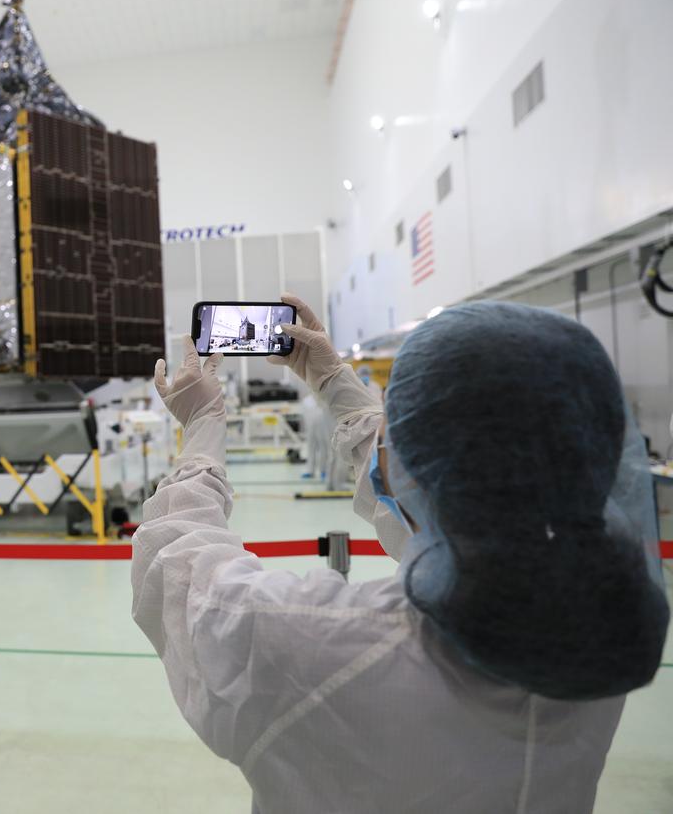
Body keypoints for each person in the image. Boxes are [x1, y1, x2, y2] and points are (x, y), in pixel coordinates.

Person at [134, 293, 667, 813]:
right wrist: (334, 383)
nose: (385, 434)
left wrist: (202, 429)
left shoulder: (307, 647)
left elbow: (177, 561)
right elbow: (456, 497)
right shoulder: (603, 622)